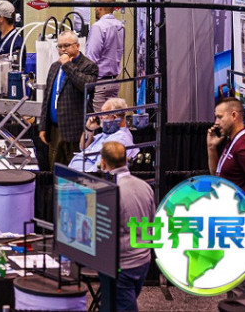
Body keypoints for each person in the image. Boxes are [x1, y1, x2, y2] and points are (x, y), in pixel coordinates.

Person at [97, 141, 154, 312]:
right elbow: (152, 223)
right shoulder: (145, 187)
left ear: (103, 163)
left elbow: (104, 235)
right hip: (143, 260)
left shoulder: (110, 192)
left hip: (122, 265)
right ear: (126, 160)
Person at [38, 31, 99, 168]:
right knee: (55, 170)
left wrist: (67, 65)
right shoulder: (54, 66)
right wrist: (43, 126)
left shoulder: (88, 66)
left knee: (74, 171)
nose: (62, 49)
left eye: (66, 45)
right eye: (59, 46)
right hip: (55, 129)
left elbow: (86, 86)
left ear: (77, 46)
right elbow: (47, 97)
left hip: (75, 131)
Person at [68, 98, 138, 172]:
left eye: (104, 113)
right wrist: (89, 129)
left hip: (82, 177)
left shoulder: (119, 139)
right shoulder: (106, 134)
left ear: (115, 117)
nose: (100, 116)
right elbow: (83, 147)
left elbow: (100, 170)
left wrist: (80, 176)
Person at [85, 0, 125, 111]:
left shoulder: (98, 27)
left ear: (100, 7)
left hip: (100, 83)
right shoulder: (120, 26)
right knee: (111, 118)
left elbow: (91, 57)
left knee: (97, 119)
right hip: (114, 81)